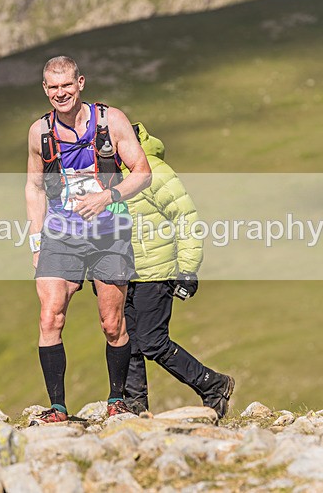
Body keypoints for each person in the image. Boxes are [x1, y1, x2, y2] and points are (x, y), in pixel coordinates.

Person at [25, 56, 152, 424]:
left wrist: (107, 197)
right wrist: (36, 241)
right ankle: (58, 409)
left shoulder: (110, 121)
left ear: (80, 83)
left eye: (67, 85)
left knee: (112, 323)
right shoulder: (40, 132)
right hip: (60, 235)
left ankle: (116, 399)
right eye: (53, 87)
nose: (60, 93)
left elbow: (141, 173)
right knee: (50, 317)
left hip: (109, 232)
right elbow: (34, 187)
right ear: (45, 89)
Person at [121, 122, 235, 418]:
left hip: (157, 270)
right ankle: (135, 404)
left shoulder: (154, 171)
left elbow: (186, 218)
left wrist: (187, 270)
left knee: (151, 342)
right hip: (124, 273)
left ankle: (213, 384)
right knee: (126, 338)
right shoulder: (110, 174)